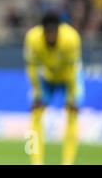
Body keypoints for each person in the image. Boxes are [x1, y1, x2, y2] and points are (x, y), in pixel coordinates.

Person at [24, 11, 84, 165]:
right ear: (42, 30)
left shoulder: (71, 38)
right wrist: (37, 93)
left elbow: (73, 69)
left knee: (72, 114)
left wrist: (71, 97)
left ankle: (68, 162)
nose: (51, 36)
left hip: (68, 78)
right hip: (47, 78)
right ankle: (36, 162)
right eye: (47, 32)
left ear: (60, 29)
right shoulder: (33, 38)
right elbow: (31, 68)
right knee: (35, 113)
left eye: (54, 32)